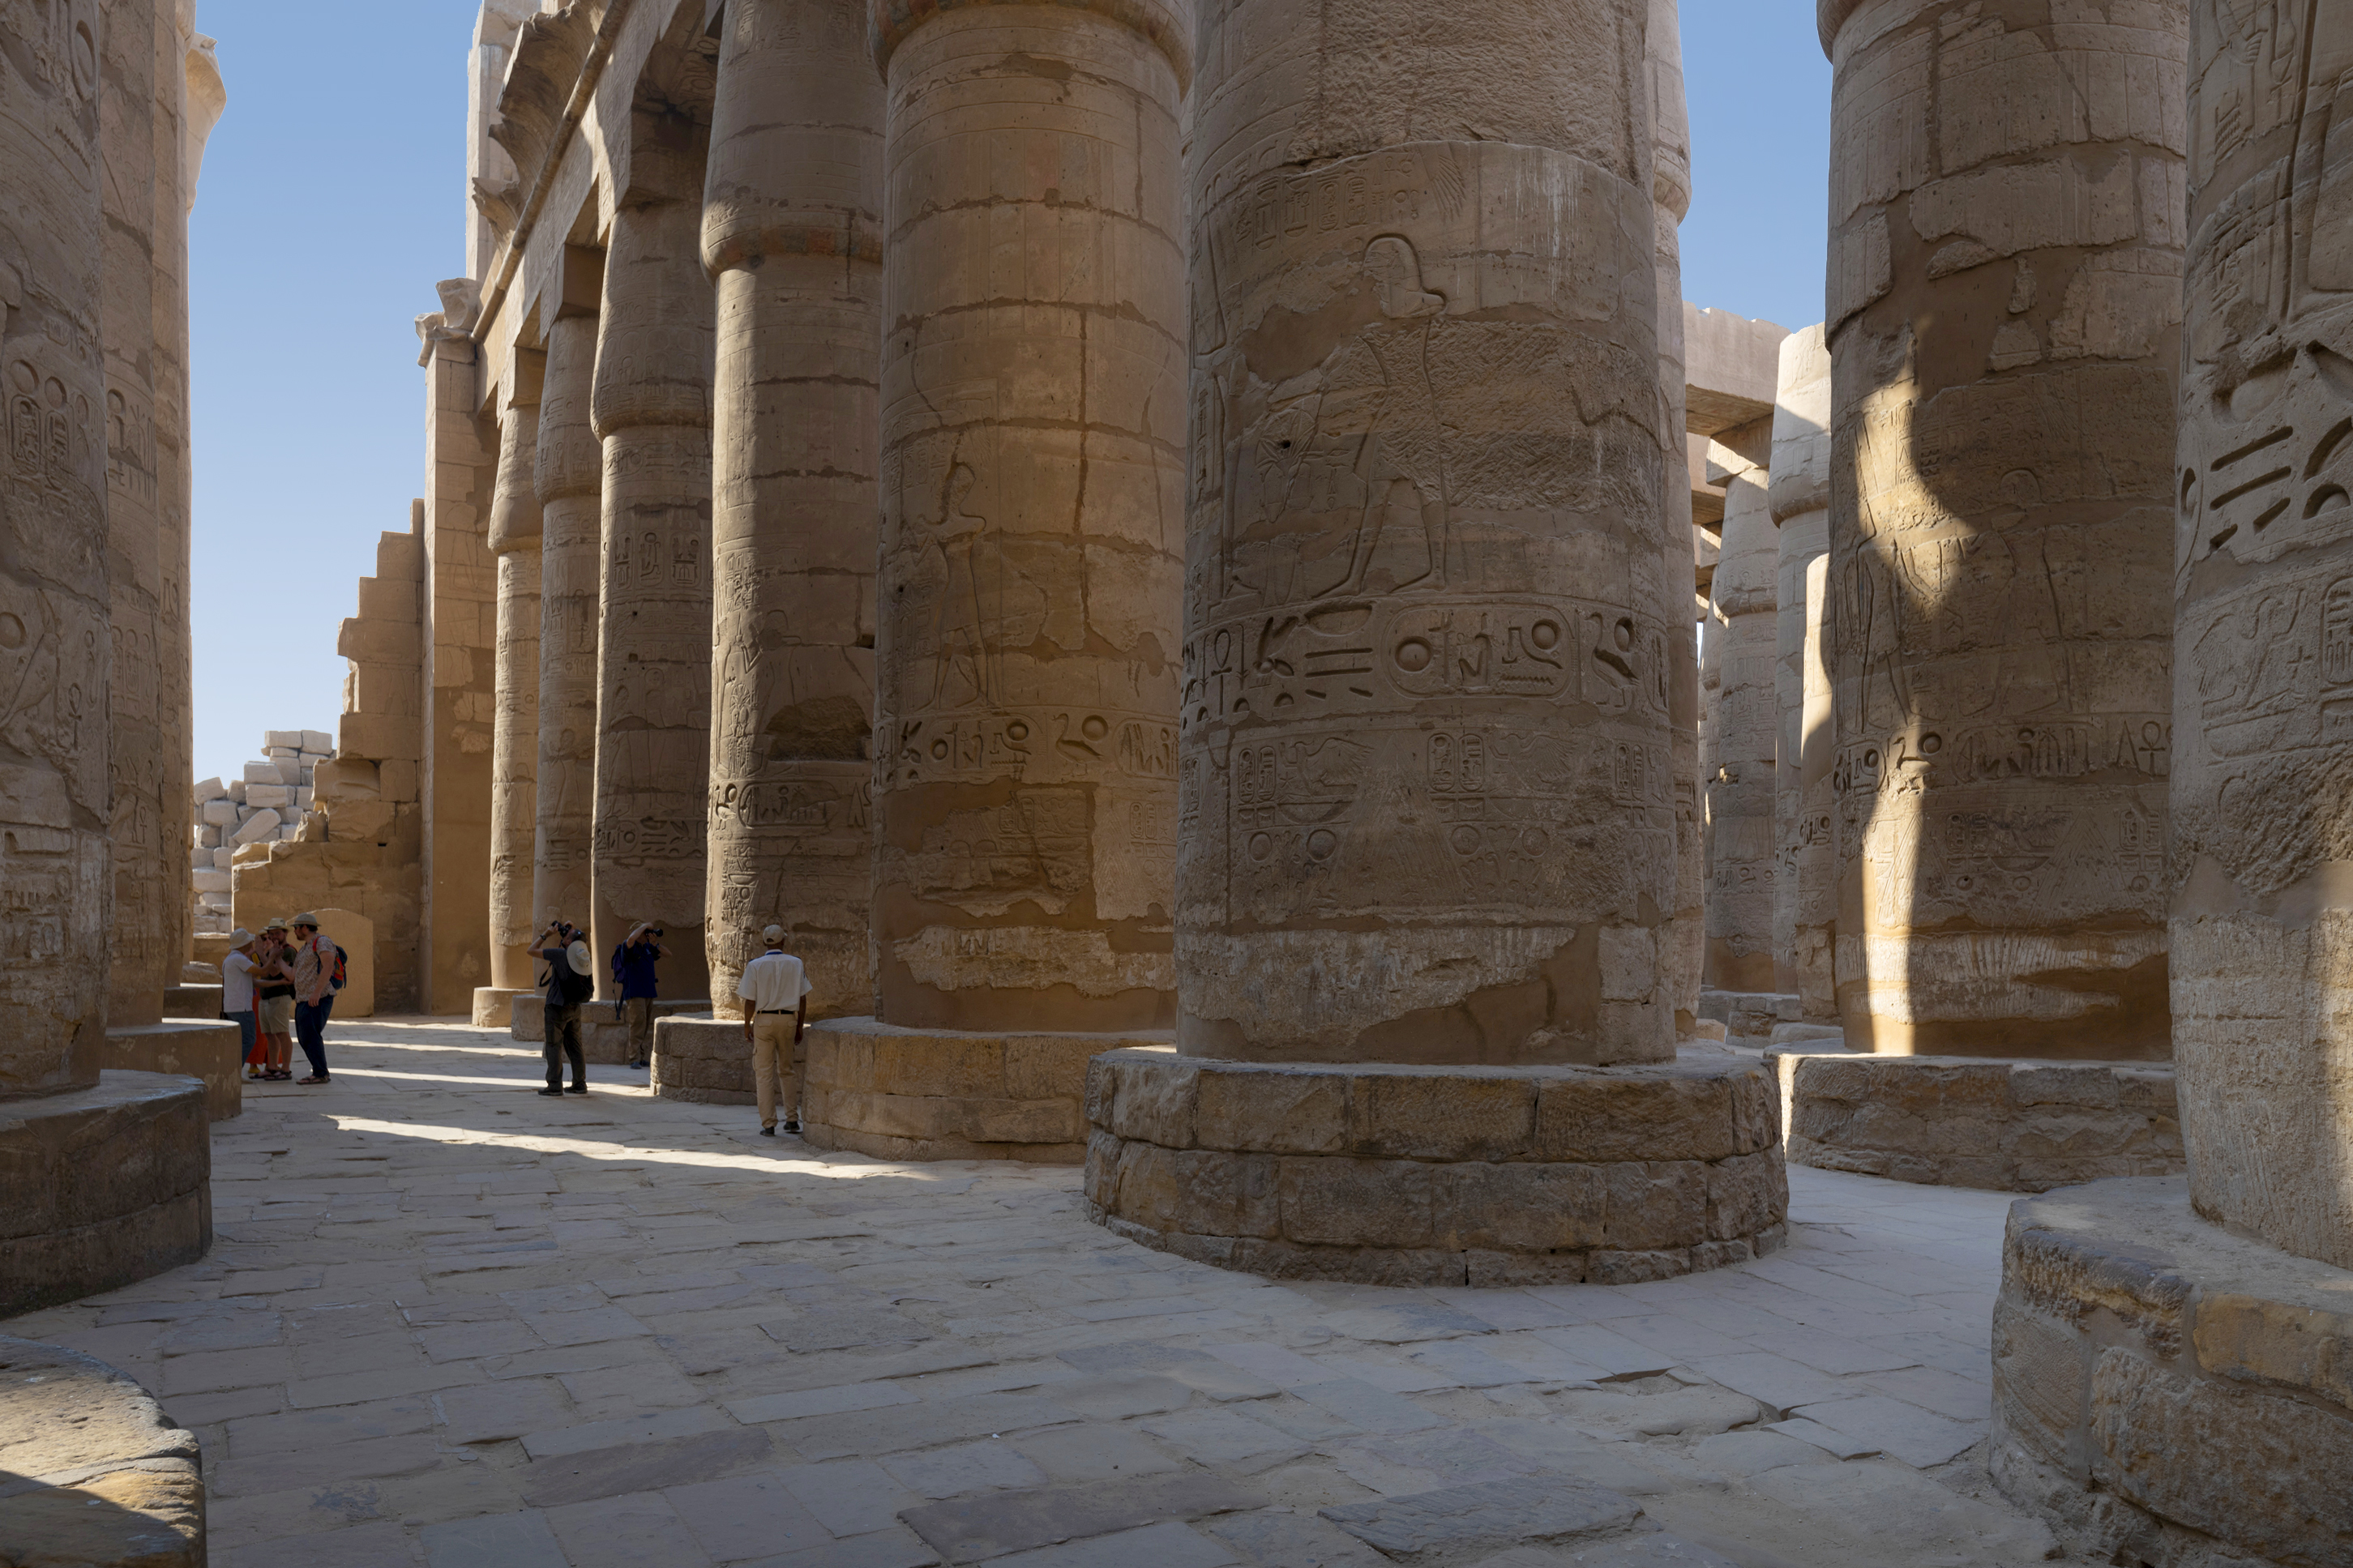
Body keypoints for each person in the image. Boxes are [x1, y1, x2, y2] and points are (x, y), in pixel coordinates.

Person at [737, 925, 812, 1137]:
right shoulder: (796, 963)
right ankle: (792, 1120)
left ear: (764, 942)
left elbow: (750, 1001)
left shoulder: (755, 965)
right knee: (787, 1070)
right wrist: (799, 1026)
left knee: (763, 1073)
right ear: (783, 942)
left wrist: (746, 1025)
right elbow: (802, 998)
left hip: (764, 1020)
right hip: (788, 1020)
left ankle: (769, 1123)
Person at [536, 920, 594, 1096]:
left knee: (553, 1045)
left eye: (567, 935)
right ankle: (579, 1083)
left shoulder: (559, 955)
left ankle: (554, 1085)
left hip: (556, 1006)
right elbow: (578, 939)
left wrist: (546, 934)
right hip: (574, 1006)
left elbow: (530, 950)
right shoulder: (583, 954)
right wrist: (573, 930)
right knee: (575, 1046)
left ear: (568, 941)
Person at [287, 913, 339, 1084]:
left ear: (305, 927)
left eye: (296, 927)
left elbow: (328, 965)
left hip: (318, 998)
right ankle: (319, 1071)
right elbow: (292, 975)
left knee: (310, 1035)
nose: (294, 931)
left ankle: (321, 1073)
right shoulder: (304, 949)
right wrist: (275, 957)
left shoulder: (322, 942)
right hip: (304, 999)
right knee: (304, 1036)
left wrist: (316, 992)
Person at [612, 922, 669, 1069]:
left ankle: (641, 1056)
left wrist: (655, 943)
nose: (648, 934)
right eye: (646, 932)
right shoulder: (630, 947)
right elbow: (631, 939)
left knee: (644, 1025)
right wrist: (644, 926)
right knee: (637, 1024)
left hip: (648, 991)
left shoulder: (648, 948)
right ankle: (634, 1058)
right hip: (635, 992)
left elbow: (668, 954)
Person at [253, 920, 297, 1082]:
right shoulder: (273, 951)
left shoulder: (288, 951)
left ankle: (285, 1069)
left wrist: (262, 954)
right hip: (266, 997)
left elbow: (273, 972)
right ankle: (272, 1067)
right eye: (271, 934)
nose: (274, 937)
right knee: (270, 1035)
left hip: (279, 996)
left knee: (282, 1034)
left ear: (285, 933)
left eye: (277, 933)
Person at [220, 929, 262, 1080]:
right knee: (249, 1039)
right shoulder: (238, 958)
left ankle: (232, 1071)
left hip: (232, 1007)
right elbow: (262, 972)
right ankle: (235, 1072)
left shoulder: (230, 959)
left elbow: (255, 980)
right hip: (242, 1008)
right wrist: (262, 953)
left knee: (239, 1042)